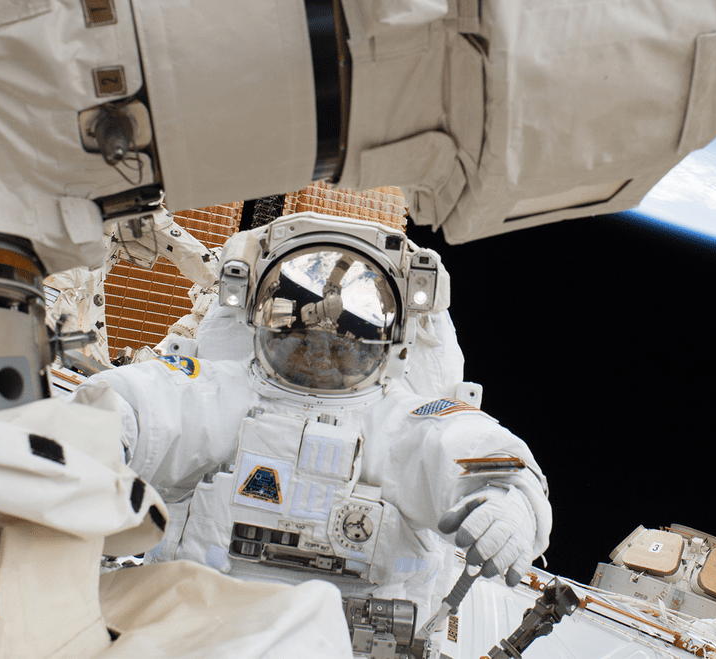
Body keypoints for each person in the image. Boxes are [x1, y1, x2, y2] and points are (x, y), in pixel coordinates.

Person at [71, 212, 552, 654]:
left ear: (390, 340)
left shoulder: (401, 421)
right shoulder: (221, 389)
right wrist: (93, 441)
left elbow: (488, 457)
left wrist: (508, 506)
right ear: (260, 317)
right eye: (301, 329)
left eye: (344, 335)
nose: (321, 345)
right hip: (195, 638)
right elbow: (132, 403)